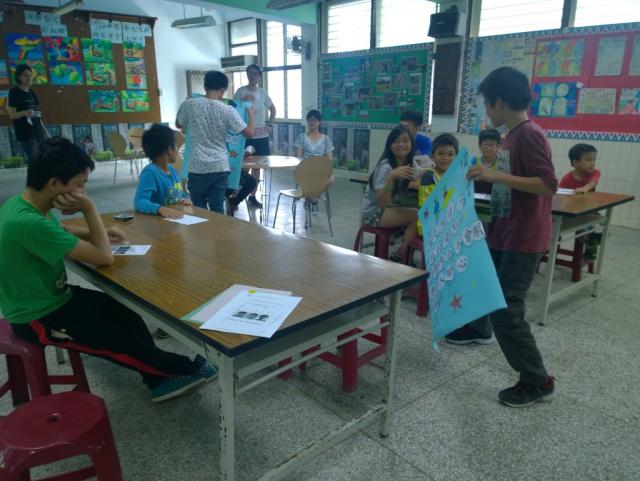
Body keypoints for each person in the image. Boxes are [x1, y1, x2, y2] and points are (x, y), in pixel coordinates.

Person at [0, 137, 216, 403]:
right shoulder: (29, 223)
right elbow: (104, 257)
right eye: (80, 185)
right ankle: (182, 371)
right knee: (119, 342)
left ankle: (156, 378)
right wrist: (89, 209)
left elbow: (60, 228)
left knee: (126, 314)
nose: (83, 192)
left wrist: (98, 232)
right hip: (38, 316)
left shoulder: (25, 203)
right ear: (55, 184)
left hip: (53, 297)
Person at [448, 67, 557, 408]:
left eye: (487, 104)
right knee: (486, 287)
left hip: (524, 237)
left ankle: (537, 380)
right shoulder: (512, 135)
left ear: (499, 101)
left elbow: (547, 184)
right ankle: (480, 328)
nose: (486, 111)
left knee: (508, 308)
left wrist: (495, 175)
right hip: (505, 229)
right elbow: (512, 181)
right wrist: (484, 177)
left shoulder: (528, 134)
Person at [176, 71, 254, 214]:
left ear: (205, 86)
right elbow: (249, 133)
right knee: (217, 207)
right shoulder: (228, 110)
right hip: (219, 166)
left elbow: (178, 124)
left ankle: (202, 228)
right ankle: (217, 229)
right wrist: (251, 114)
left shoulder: (189, 104)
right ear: (223, 89)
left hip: (197, 166)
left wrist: (185, 105)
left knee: (198, 207)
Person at [361, 124, 418, 261]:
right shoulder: (386, 167)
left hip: (388, 208)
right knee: (416, 215)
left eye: (406, 140)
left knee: (420, 210)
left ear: (411, 143)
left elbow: (418, 173)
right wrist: (391, 177)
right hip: (373, 213)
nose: (401, 144)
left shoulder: (408, 162)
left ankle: (405, 254)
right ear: (390, 145)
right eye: (396, 141)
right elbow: (382, 204)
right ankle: (401, 254)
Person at [234, 64, 276, 208]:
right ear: (247, 75)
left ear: (259, 76)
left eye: (255, 74)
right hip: (246, 134)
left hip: (261, 136)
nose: (252, 76)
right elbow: (232, 110)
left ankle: (253, 196)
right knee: (244, 167)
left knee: (257, 167)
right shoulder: (240, 91)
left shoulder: (262, 92)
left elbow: (273, 109)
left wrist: (270, 125)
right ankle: (237, 196)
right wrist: (242, 101)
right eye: (250, 73)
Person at [134, 124, 191, 219]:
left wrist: (185, 199)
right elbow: (139, 202)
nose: (177, 150)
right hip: (157, 224)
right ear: (170, 149)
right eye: (175, 146)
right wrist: (160, 209)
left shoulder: (173, 171)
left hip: (175, 220)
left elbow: (180, 194)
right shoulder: (150, 173)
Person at [559, 143, 602, 260]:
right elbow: (560, 194)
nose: (592, 163)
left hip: (589, 209)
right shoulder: (567, 178)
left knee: (599, 226)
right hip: (571, 211)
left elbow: (593, 182)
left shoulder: (595, 173)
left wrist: (585, 188)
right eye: (588, 160)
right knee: (554, 223)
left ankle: (589, 256)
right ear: (575, 163)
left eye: (594, 159)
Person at [294, 109, 335, 214]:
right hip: (305, 169)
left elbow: (329, 159)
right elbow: (298, 158)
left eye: (315, 120)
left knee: (331, 179)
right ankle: (314, 201)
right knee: (308, 179)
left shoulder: (326, 139)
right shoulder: (301, 137)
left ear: (320, 122)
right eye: (310, 120)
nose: (312, 122)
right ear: (307, 121)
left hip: (320, 169)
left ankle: (310, 197)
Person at [417, 134, 458, 236]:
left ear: (456, 157)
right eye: (440, 153)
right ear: (432, 156)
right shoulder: (429, 176)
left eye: (450, 154)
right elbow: (428, 206)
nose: (445, 158)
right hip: (429, 224)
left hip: (448, 221)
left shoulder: (456, 176)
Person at [6, 64, 49, 164]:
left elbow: (37, 115)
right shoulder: (14, 92)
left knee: (44, 161)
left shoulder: (31, 93)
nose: (29, 78)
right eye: (25, 75)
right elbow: (12, 115)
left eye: (30, 75)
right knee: (35, 162)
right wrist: (24, 113)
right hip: (26, 134)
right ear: (18, 77)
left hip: (38, 132)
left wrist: (44, 129)